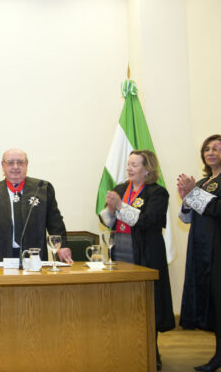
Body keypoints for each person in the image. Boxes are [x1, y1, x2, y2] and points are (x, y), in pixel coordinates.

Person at [100, 149, 175, 370]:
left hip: (145, 252)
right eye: (128, 164)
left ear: (147, 169)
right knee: (123, 300)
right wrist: (110, 209)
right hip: (121, 247)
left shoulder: (157, 193)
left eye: (134, 165)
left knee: (146, 302)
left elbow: (148, 221)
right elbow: (107, 219)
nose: (129, 168)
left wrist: (121, 206)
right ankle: (126, 347)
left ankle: (152, 350)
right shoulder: (121, 188)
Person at [0, 148, 72, 263]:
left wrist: (62, 245)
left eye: (20, 162)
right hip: (1, 255)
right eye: (10, 162)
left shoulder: (42, 189)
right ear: (3, 165)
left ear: (26, 165)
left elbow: (55, 222)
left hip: (35, 255)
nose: (15, 167)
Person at [178, 134, 221, 372]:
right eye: (207, 148)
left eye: (217, 148)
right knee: (212, 304)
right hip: (201, 250)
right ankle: (218, 355)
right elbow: (186, 218)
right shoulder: (203, 182)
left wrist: (194, 193)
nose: (211, 152)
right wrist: (186, 199)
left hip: (218, 249)